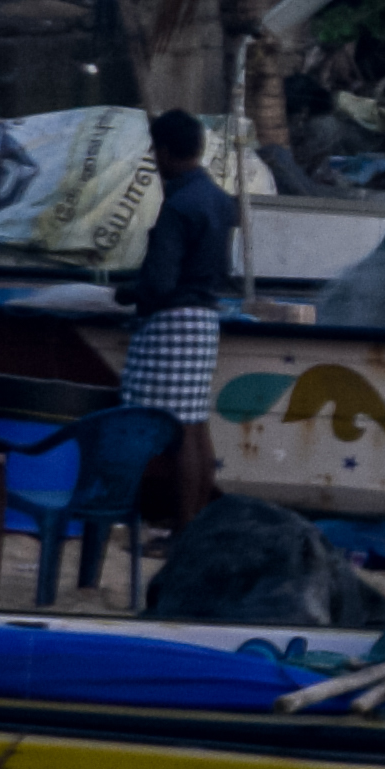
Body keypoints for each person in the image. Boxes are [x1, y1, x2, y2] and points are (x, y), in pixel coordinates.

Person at [120, 107, 240, 524]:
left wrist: (127, 293)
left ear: (166, 152)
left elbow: (159, 283)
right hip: (205, 317)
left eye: (155, 152)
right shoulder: (220, 201)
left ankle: (182, 530)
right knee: (197, 426)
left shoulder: (178, 206)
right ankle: (195, 525)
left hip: (173, 323)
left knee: (181, 431)